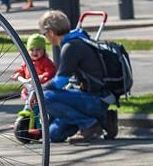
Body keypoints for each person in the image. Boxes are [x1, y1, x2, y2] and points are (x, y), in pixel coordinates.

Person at [39, 10, 115, 144]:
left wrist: (37, 90)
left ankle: (89, 125)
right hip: (93, 99)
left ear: (51, 32)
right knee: (54, 134)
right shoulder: (76, 41)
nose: (46, 37)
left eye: (44, 34)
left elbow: (61, 81)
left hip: (94, 99)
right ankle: (104, 120)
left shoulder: (71, 47)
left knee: (44, 97)